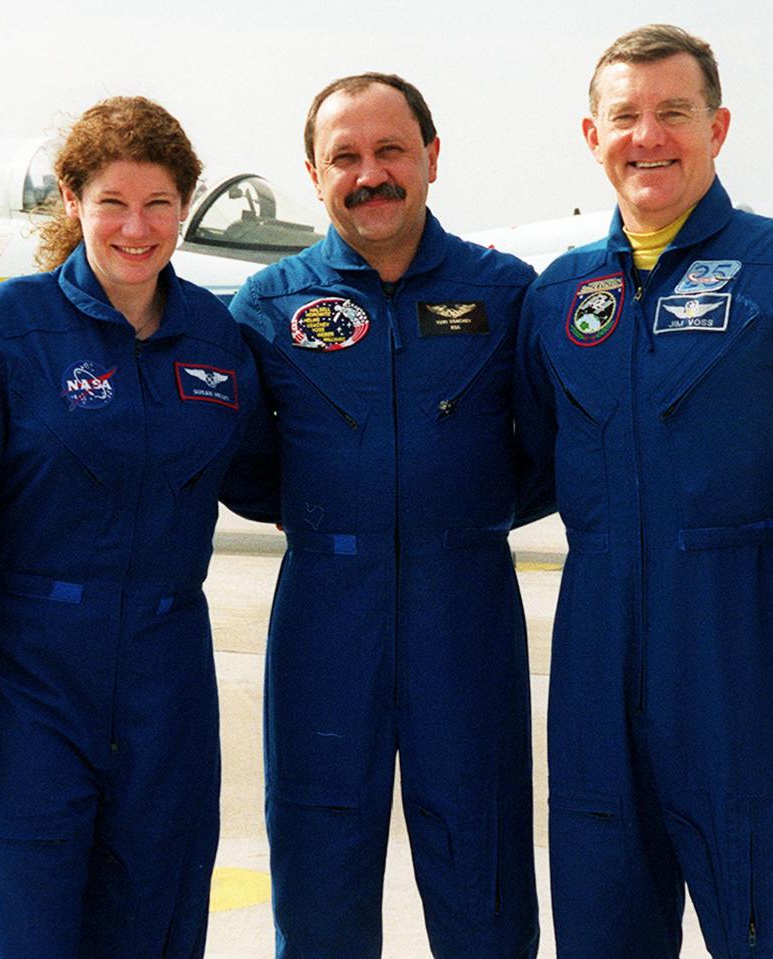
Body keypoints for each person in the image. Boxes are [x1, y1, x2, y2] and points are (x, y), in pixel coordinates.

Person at [515, 25, 773, 958]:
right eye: (626, 117)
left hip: (739, 642)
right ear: (591, 135)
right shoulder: (559, 295)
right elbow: (520, 459)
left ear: (718, 127)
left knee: (768, 923)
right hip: (594, 645)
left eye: (673, 113)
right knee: (601, 920)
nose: (648, 137)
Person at [0, 96, 270, 958]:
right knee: (16, 915)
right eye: (112, 202)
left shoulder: (217, 340)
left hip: (167, 677)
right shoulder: (4, 330)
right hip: (30, 682)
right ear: (73, 200)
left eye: (157, 204)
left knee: (157, 905)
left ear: (184, 205)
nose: (135, 228)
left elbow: (276, 474)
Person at [228, 73, 545, 958]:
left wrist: (461, 515)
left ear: (432, 158)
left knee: (482, 871)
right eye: (346, 158)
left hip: (467, 613)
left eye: (390, 150)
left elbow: (548, 452)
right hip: (327, 617)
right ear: (314, 172)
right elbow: (249, 467)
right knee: (319, 870)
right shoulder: (270, 307)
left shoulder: (507, 295)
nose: (371, 174)